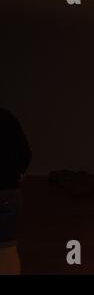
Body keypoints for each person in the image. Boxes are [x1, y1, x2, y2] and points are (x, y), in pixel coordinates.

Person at [0, 108, 32, 274]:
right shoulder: (8, 118)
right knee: (7, 248)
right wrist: (15, 175)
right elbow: (26, 154)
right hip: (8, 192)